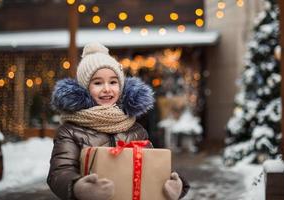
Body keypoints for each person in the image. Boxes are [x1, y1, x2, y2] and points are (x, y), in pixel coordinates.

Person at [47, 42, 189, 200]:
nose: (107, 89)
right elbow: (59, 172)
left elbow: (151, 167)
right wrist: (77, 187)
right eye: (98, 83)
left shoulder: (135, 130)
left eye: (113, 82)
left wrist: (174, 185)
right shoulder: (70, 131)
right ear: (85, 89)